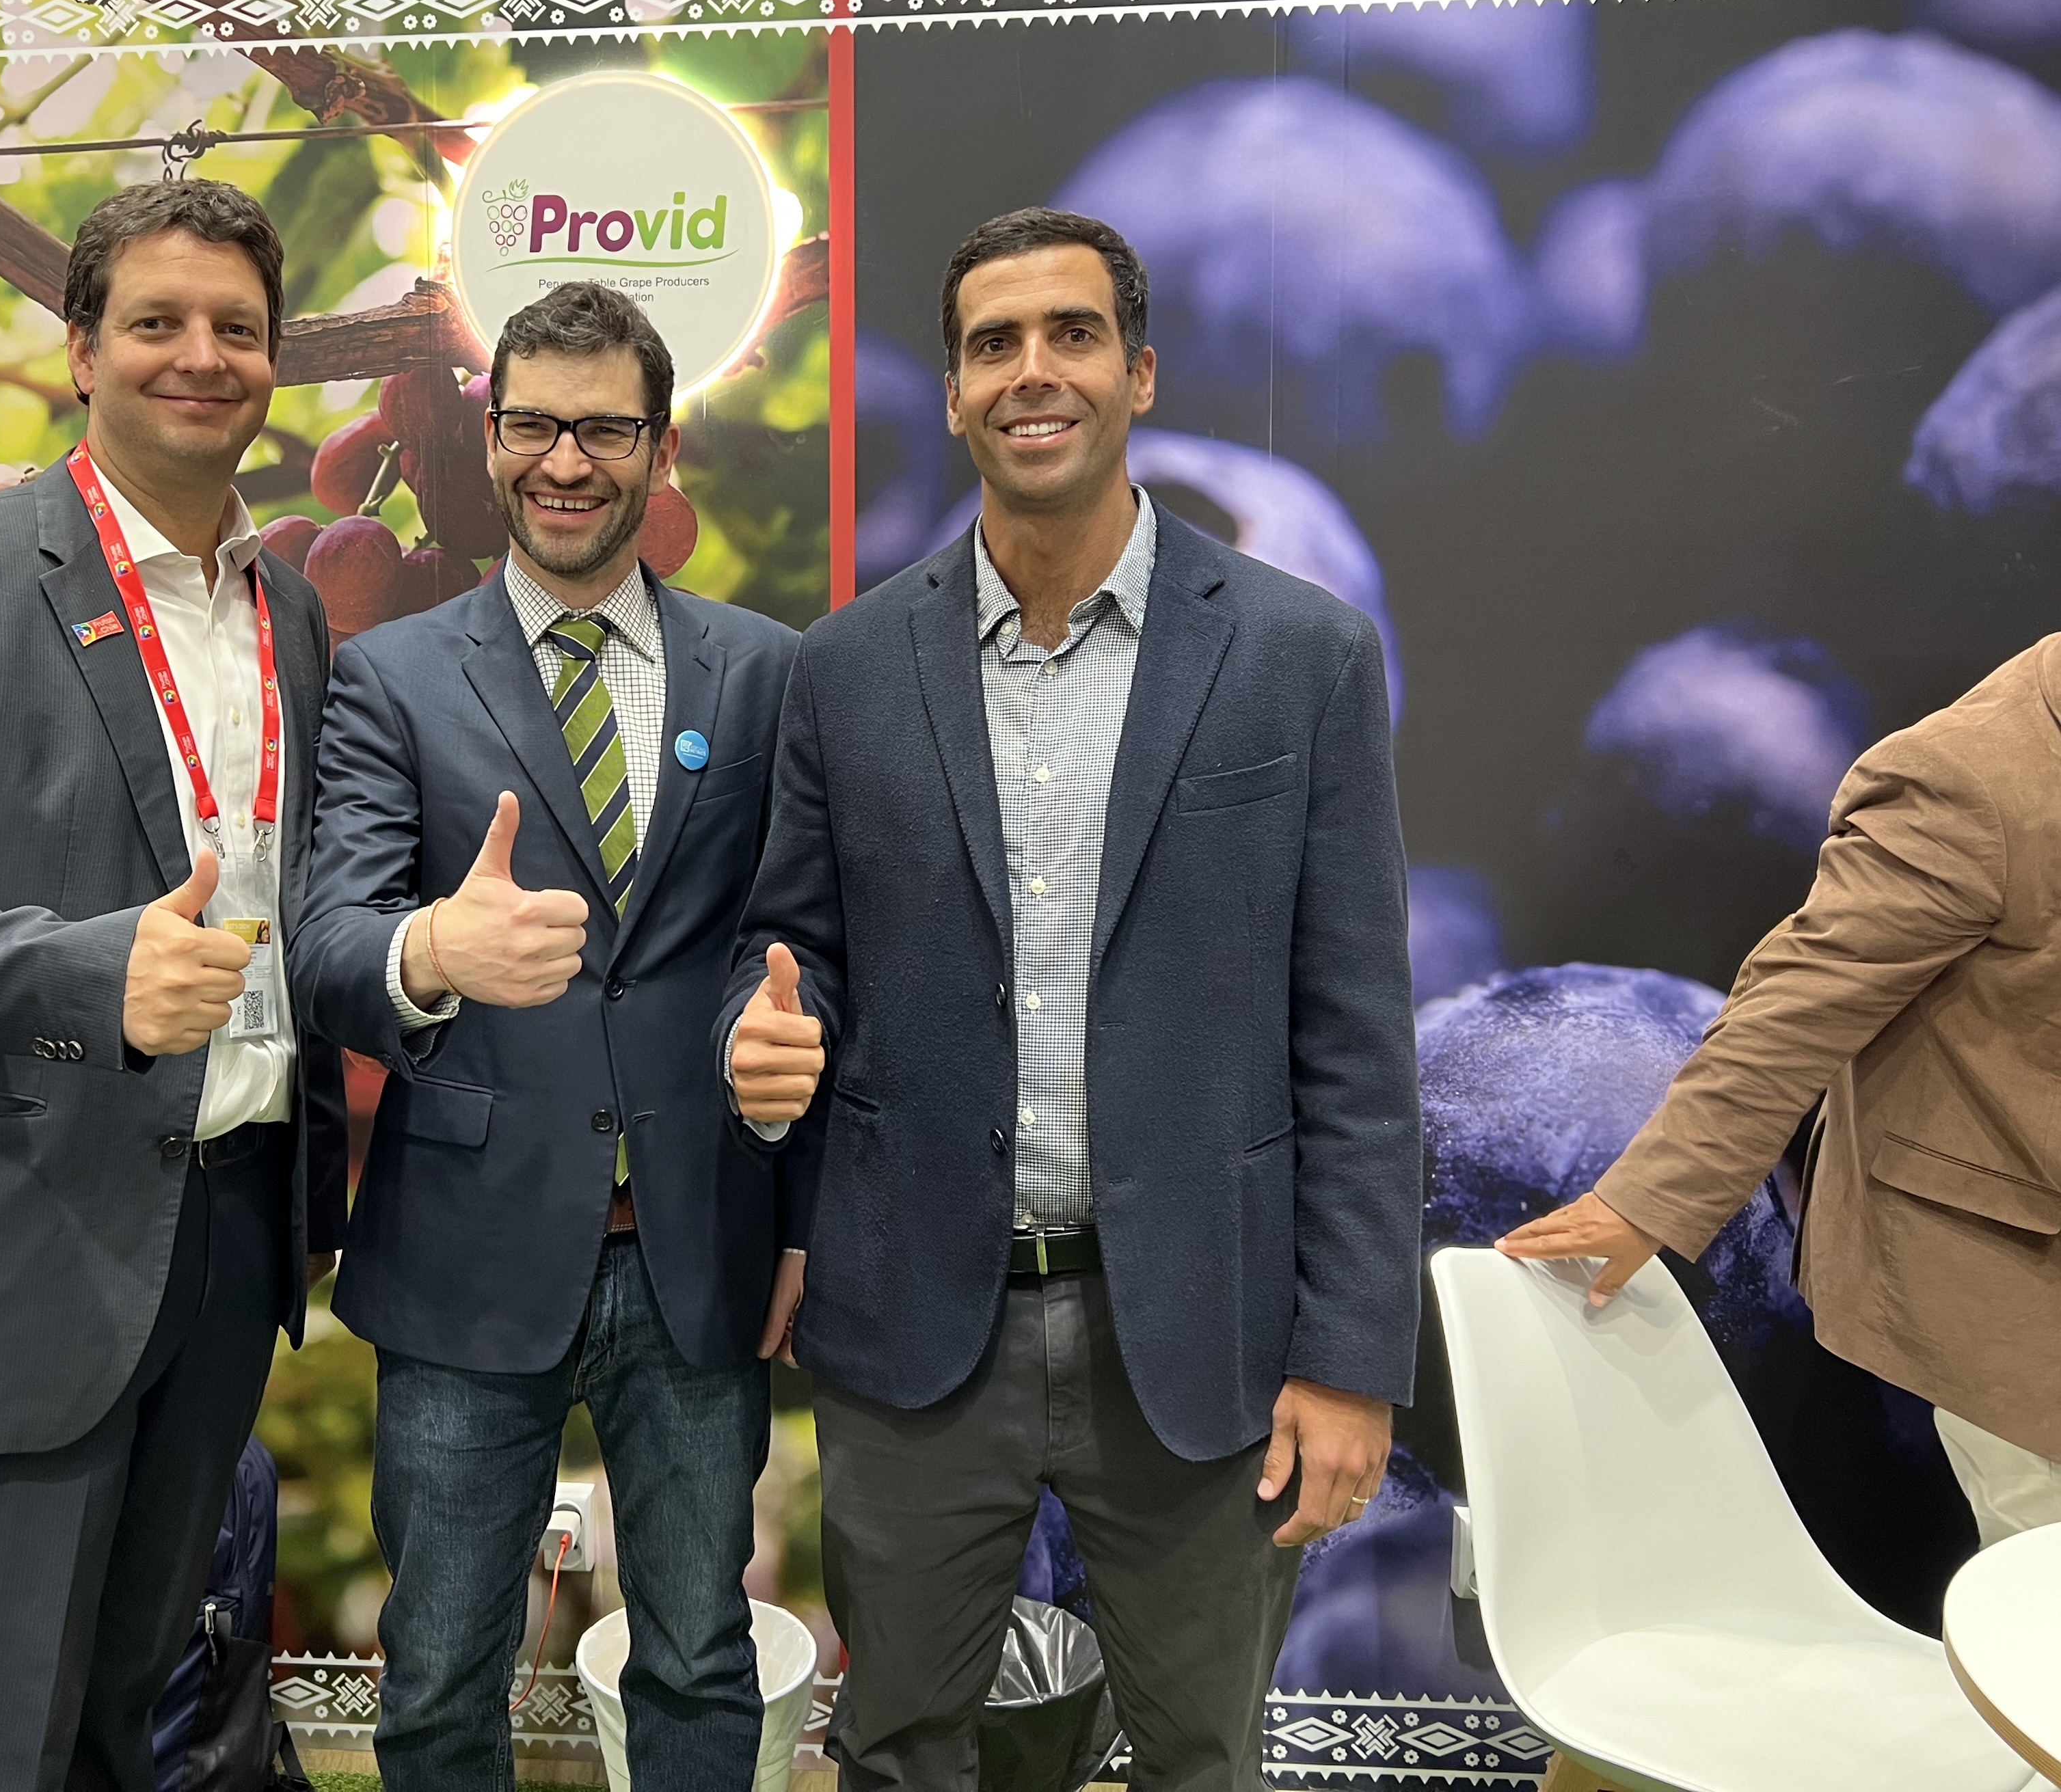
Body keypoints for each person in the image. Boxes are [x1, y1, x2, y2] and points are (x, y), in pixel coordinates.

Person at [722, 207, 1422, 1792]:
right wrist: (760, 1032)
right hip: (919, 1329)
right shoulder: (843, 669)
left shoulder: (1300, 659)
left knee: (1197, 1757)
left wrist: (1354, 1352)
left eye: (1072, 334)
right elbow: (788, 948)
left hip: (1200, 1327)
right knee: (898, 1750)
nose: (1032, 371)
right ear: (959, 395)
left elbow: (1359, 1042)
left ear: (1141, 373)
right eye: (992, 344)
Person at [0, 178, 349, 1792]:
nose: (201, 356)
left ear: (274, 361)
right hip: (22, 1231)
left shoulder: (291, 608)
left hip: (234, 1224)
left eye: (236, 329)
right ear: (79, 351)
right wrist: (94, 976)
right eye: (158, 321)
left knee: (130, 1724)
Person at [293, 282, 803, 1792]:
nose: (563, 461)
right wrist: (429, 952)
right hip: (467, 1242)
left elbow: (796, 947)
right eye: (531, 425)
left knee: (702, 1654)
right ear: (491, 435)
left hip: (699, 1242)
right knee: (444, 1661)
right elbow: (328, 949)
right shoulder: (391, 675)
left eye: (603, 428)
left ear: (657, 446)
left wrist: (791, 1137)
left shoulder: (763, 673)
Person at [1500, 634, 2061, 1547]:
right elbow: (1799, 1002)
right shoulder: (1976, 779)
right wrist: (1650, 1199)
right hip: (2024, 1287)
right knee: (2045, 1629)